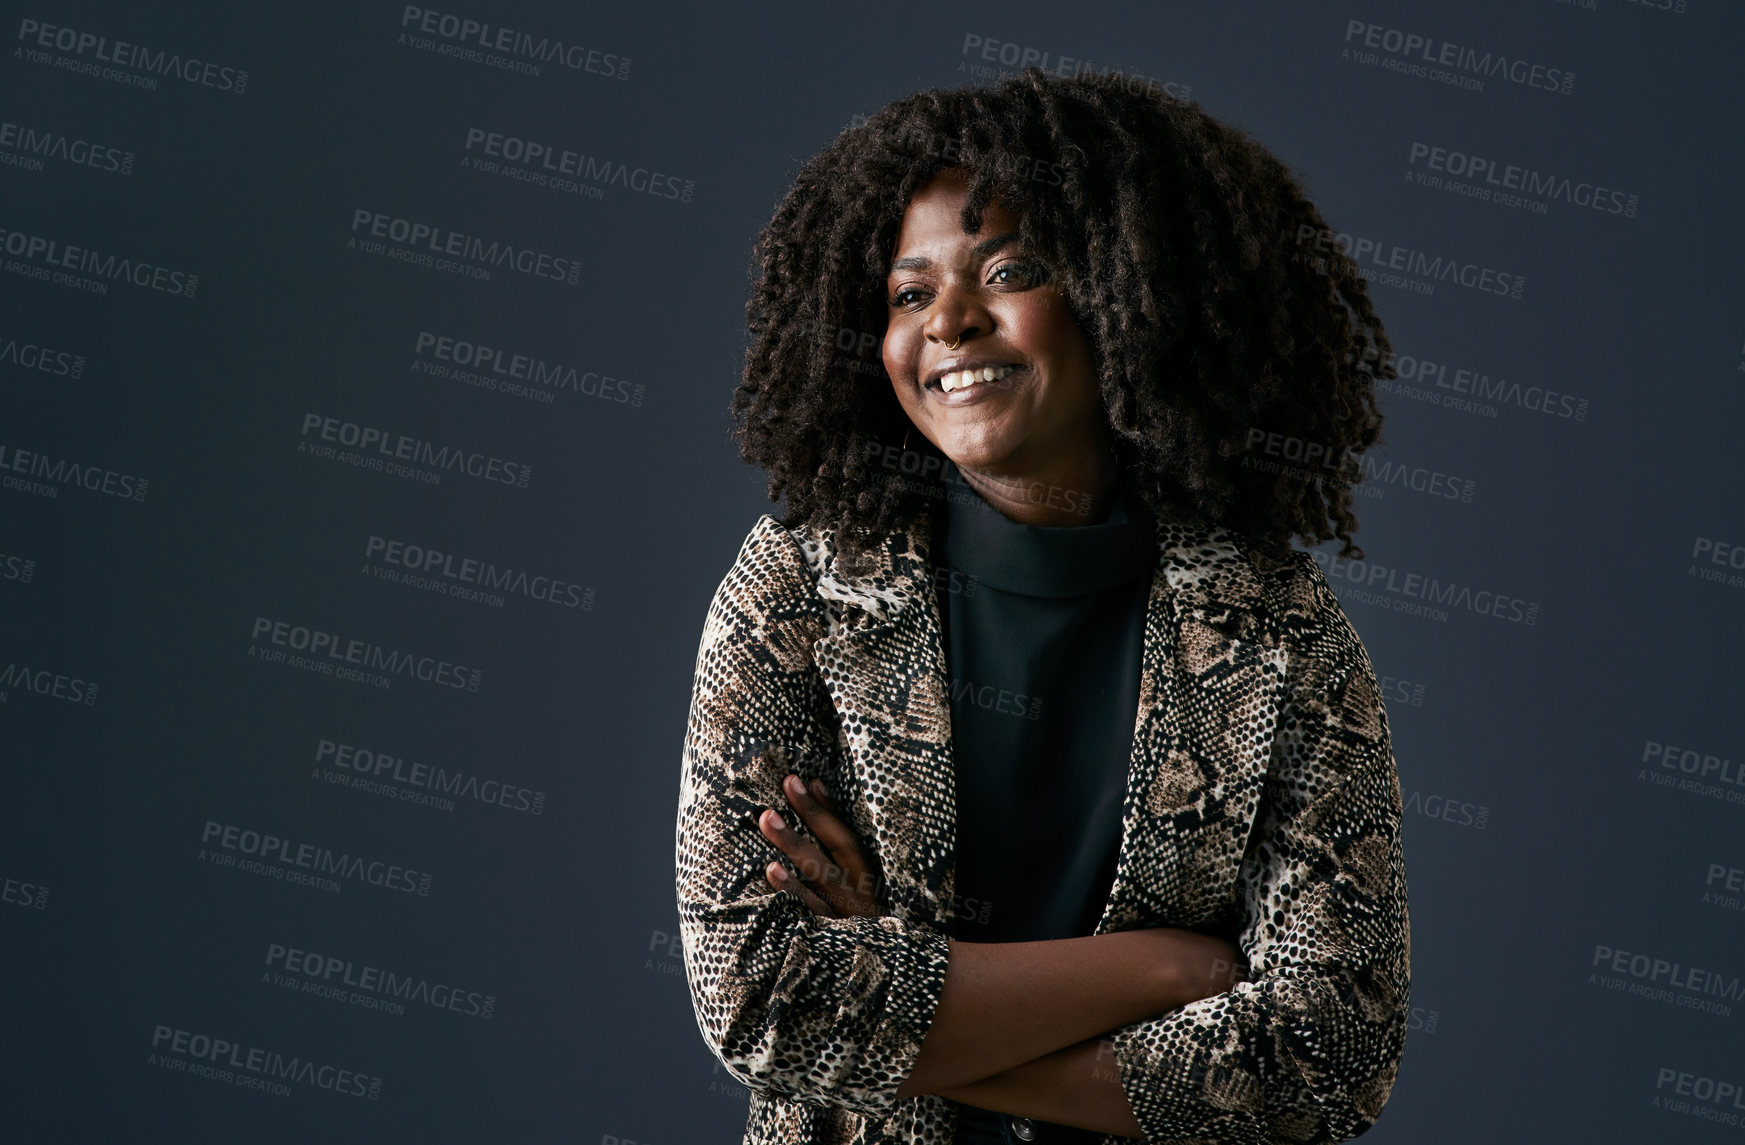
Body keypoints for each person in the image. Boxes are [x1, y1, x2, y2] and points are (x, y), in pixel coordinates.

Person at [676, 67, 1409, 1145]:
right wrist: (1168, 967)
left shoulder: (1278, 625)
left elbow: (1333, 1048)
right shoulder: (797, 587)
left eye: (1008, 269)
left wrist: (899, 1014)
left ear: (1128, 293)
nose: (951, 323)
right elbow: (760, 1000)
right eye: (908, 292)